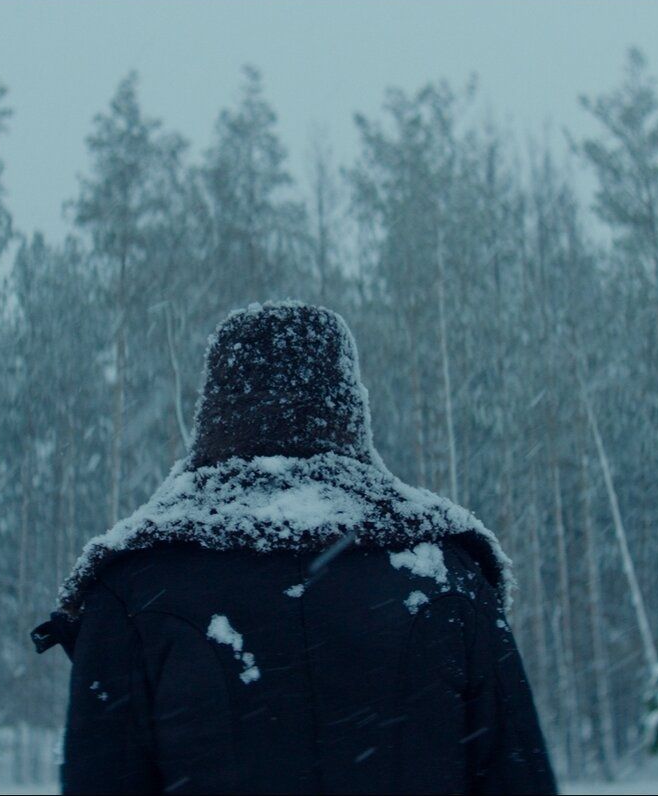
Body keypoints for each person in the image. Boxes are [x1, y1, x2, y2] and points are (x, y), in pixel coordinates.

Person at [33, 301, 556, 795]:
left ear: (214, 405)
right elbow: (518, 774)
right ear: (349, 402)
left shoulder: (134, 588)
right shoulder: (445, 575)